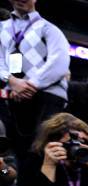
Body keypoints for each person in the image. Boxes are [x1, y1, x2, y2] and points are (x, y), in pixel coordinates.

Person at [0, 0, 69, 166]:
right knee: (18, 153)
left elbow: (58, 63)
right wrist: (12, 80)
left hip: (48, 96)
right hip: (14, 97)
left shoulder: (50, 29)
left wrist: (28, 85)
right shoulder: (2, 28)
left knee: (44, 152)